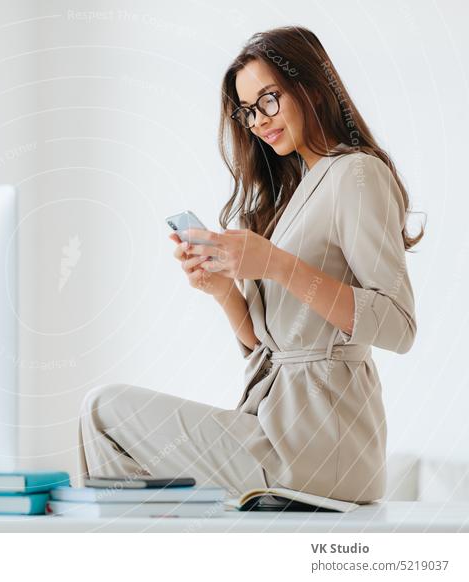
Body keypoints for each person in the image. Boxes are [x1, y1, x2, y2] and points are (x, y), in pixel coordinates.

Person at [77, 26, 423, 503]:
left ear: (310, 86)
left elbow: (398, 326)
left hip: (325, 447)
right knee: (114, 430)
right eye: (247, 111)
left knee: (103, 410)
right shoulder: (298, 191)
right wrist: (223, 290)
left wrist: (277, 265)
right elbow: (272, 346)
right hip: (276, 429)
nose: (258, 121)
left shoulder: (357, 173)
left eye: (268, 100)